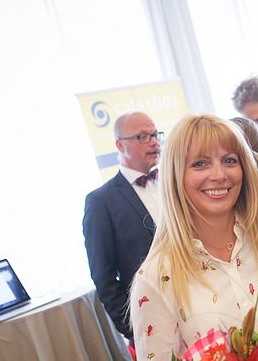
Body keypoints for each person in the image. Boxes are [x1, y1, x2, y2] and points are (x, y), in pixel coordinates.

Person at [129, 114, 258, 360]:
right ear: (175, 176)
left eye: (230, 160)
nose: (219, 175)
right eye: (200, 163)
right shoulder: (156, 278)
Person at [83, 111, 162, 344]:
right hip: (151, 321)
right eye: (143, 136)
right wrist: (132, 329)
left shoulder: (175, 180)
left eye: (155, 134)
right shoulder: (101, 201)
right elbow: (103, 275)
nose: (155, 142)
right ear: (119, 144)